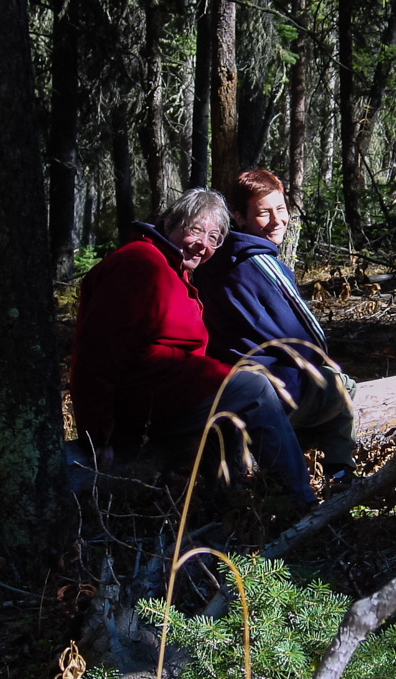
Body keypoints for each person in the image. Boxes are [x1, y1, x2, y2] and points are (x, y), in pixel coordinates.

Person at [69, 188, 316, 506]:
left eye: (214, 237)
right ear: (171, 222)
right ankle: (299, 501)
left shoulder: (172, 269)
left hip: (164, 397)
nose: (204, 244)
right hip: (141, 403)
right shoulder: (139, 264)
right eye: (197, 230)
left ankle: (230, 503)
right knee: (252, 387)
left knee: (232, 395)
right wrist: (98, 436)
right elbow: (97, 354)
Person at [195, 169, 358, 487]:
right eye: (263, 213)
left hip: (228, 391)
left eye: (280, 209)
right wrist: (317, 363)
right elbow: (310, 337)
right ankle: (340, 476)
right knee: (342, 385)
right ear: (239, 218)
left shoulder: (210, 264)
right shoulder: (262, 262)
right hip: (273, 393)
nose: (276, 220)